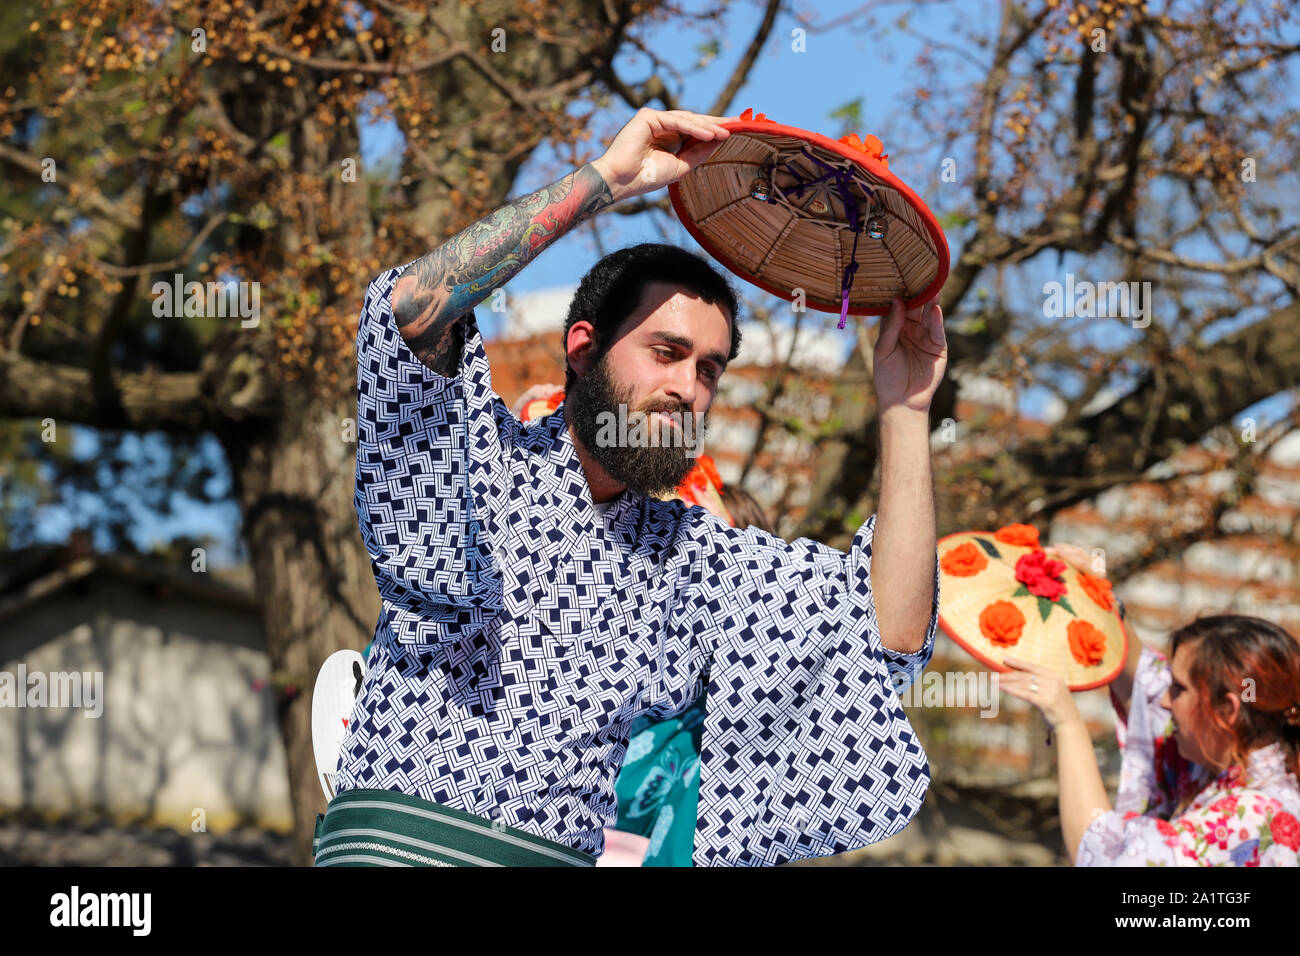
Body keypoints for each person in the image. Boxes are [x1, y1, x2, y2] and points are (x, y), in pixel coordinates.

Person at [322, 107, 947, 867]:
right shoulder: (480, 459)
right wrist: (603, 181)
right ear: (583, 350)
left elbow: (889, 631)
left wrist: (907, 408)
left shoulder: (694, 561)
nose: (689, 387)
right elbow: (408, 317)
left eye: (709, 369)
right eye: (667, 351)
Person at [1003, 545, 1300, 866]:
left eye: (1178, 689)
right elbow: (1144, 683)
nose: (1164, 700)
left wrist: (1067, 723)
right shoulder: (1247, 767)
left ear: (1227, 711)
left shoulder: (1252, 817)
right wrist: (1101, 593)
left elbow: (1105, 857)